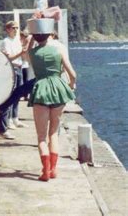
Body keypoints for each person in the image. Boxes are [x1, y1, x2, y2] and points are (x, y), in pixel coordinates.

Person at [27, 18, 76, 181]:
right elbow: (73, 74)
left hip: (41, 89)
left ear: (35, 36)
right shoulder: (59, 51)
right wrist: (70, 85)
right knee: (53, 133)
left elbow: (27, 52)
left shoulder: (33, 53)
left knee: (41, 137)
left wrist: (31, 40)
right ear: (49, 34)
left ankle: (45, 171)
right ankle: (53, 169)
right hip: (58, 89)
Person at [1, 21, 27, 131]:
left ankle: (15, 117)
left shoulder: (17, 41)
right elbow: (9, 58)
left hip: (20, 67)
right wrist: (21, 53)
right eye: (13, 28)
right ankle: (9, 119)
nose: (16, 30)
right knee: (11, 94)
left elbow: (21, 56)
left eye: (17, 28)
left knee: (18, 94)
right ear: (7, 29)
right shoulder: (5, 42)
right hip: (12, 68)